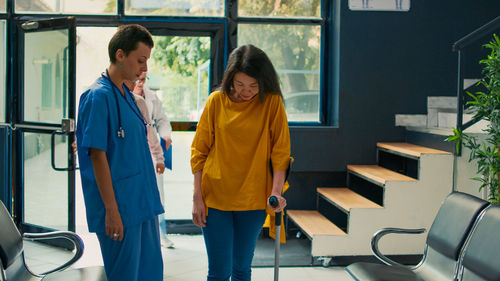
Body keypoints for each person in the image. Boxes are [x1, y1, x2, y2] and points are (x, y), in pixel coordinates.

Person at [191, 44, 291, 281]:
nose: (246, 91)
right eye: (240, 84)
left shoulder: (272, 102)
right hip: (215, 195)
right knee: (218, 272)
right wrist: (197, 197)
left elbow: (281, 152)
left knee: (241, 268)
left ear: (264, 82)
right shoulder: (216, 101)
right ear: (230, 78)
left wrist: (276, 191)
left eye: (254, 86)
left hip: (254, 197)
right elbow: (199, 151)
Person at [76, 24, 163, 281]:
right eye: (140, 60)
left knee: (149, 273)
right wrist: (112, 211)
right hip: (121, 209)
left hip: (143, 203)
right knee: (126, 276)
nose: (144, 69)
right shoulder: (97, 97)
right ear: (120, 55)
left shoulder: (128, 95)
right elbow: (97, 155)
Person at [133, 72, 175, 248]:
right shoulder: (122, 96)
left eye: (144, 79)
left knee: (158, 194)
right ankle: (140, 236)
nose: (141, 83)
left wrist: (165, 135)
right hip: (134, 153)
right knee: (136, 194)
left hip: (151, 152)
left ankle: (160, 234)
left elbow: (161, 121)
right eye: (138, 79)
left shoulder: (151, 97)